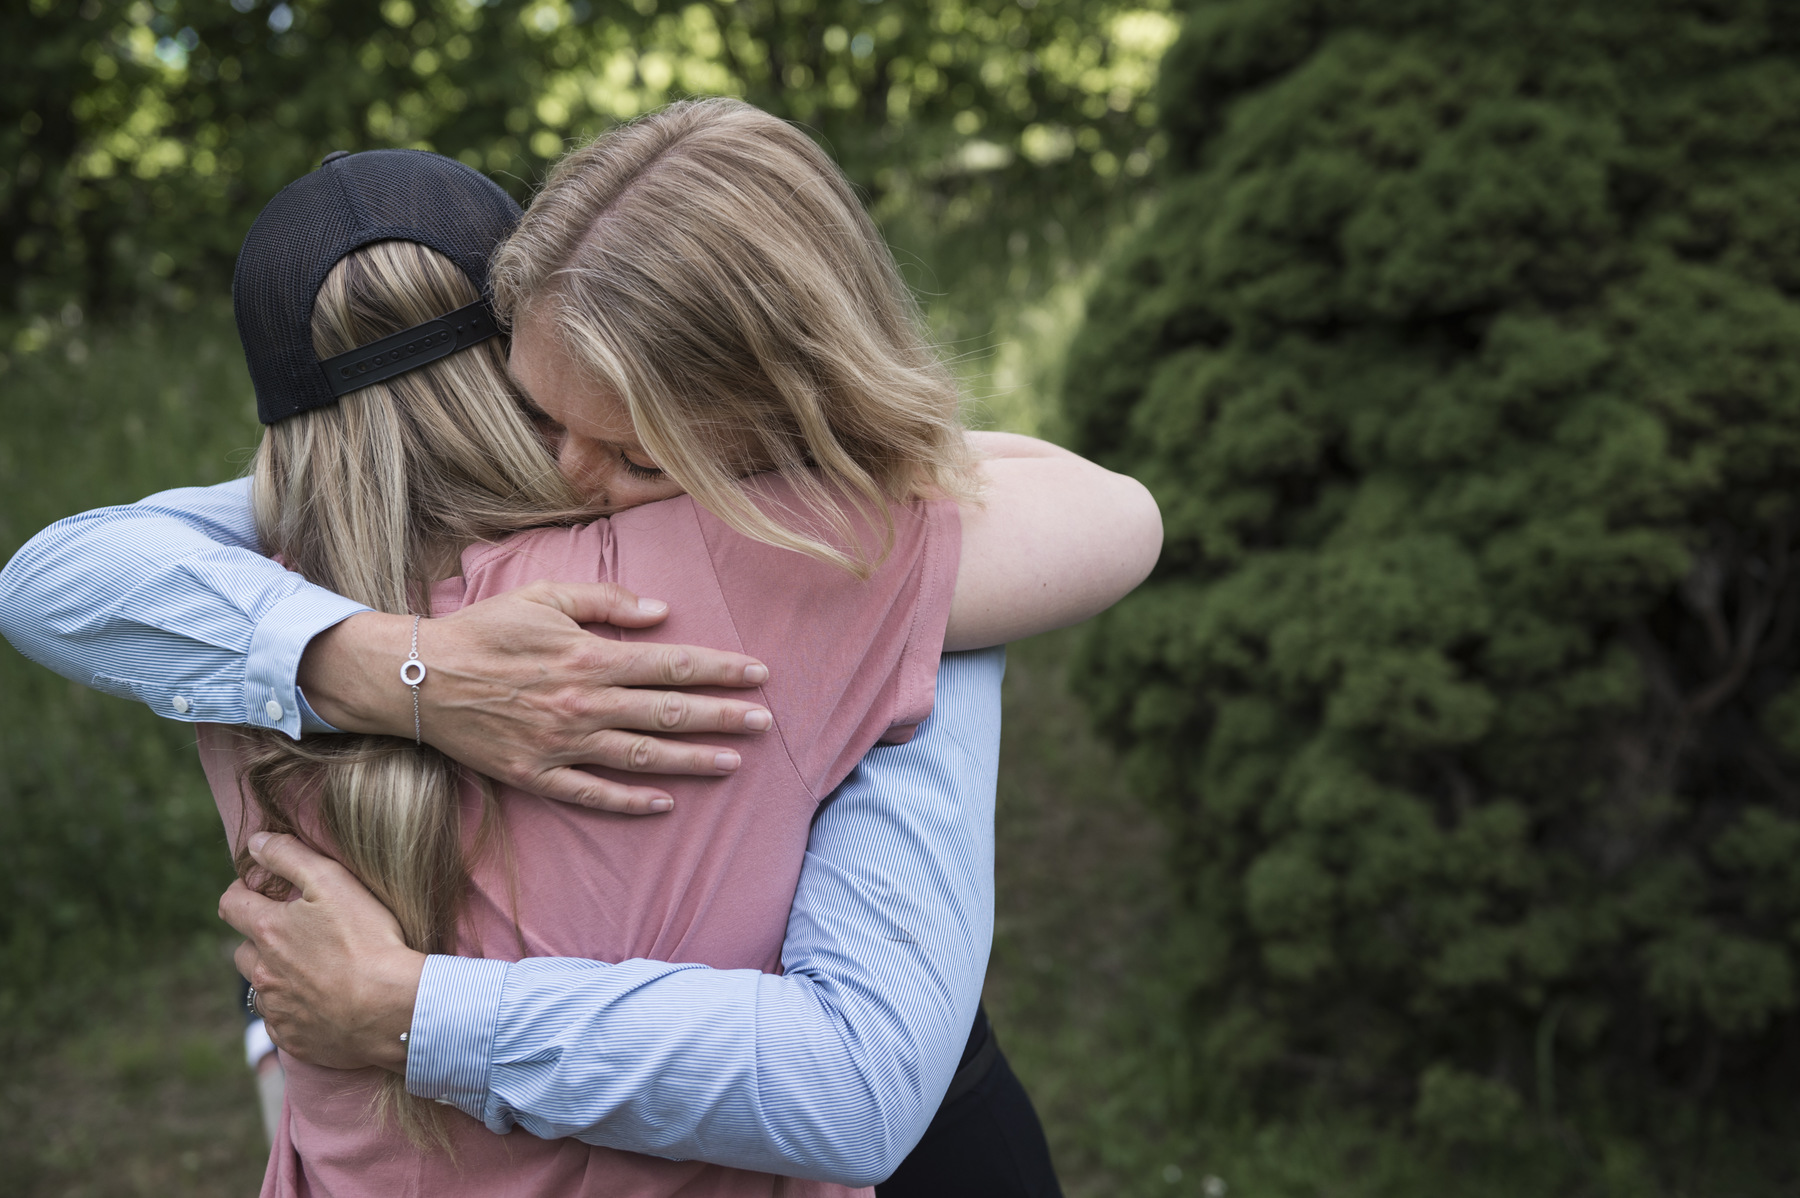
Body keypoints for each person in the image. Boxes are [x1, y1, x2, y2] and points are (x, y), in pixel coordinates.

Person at [0, 102, 1159, 1194]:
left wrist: (402, 999)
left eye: (639, 452)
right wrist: (404, 667)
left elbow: (61, 572)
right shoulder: (782, 569)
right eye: (544, 417)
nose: (573, 477)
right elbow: (1108, 516)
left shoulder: (232, 607)